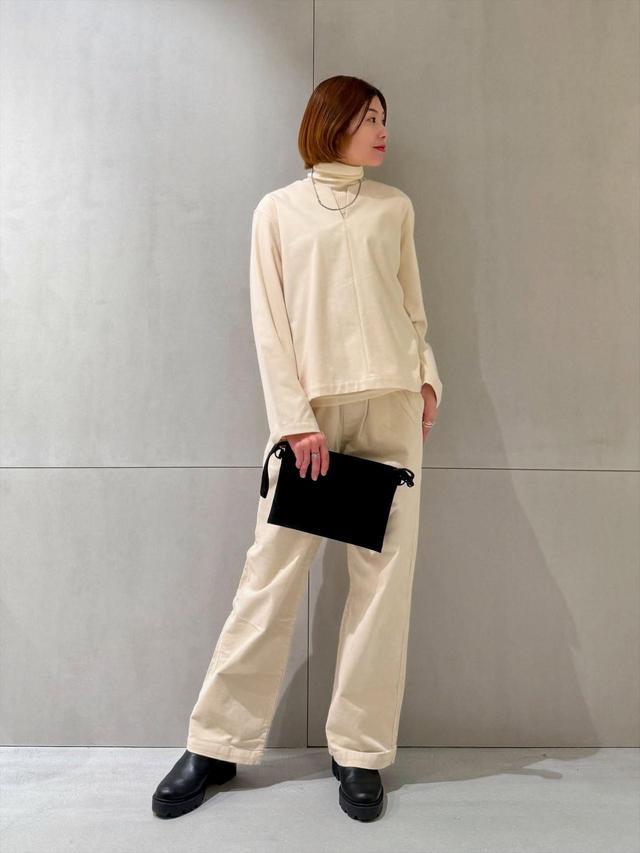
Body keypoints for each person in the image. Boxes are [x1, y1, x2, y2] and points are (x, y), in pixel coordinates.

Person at [152, 75, 443, 823]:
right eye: (368, 117)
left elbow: (412, 306)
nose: (382, 129)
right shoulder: (277, 210)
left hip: (392, 408)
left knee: (384, 586)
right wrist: (292, 419)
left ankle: (360, 750)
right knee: (271, 574)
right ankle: (217, 742)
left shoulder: (394, 207)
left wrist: (427, 377)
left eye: (383, 116)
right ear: (332, 122)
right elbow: (269, 320)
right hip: (311, 419)